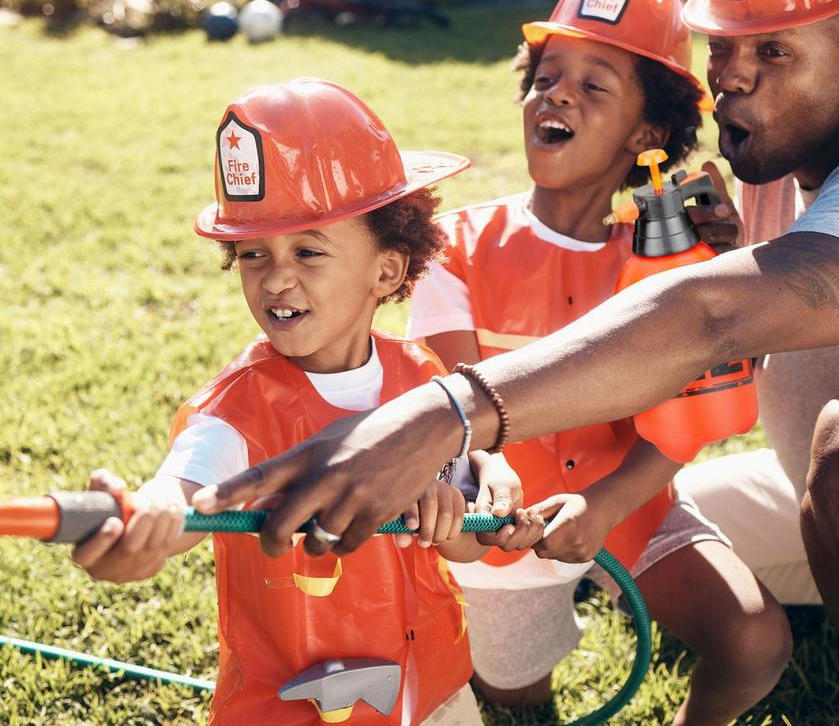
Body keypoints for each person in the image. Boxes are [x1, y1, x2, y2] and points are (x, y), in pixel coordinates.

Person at [196, 0, 839, 725]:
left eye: (775, 52)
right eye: (723, 44)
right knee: (712, 520)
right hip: (765, 491)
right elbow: (708, 380)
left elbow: (709, 316)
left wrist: (439, 415)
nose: (732, 77)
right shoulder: (770, 170)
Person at [71, 78, 544, 725]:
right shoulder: (236, 410)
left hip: (435, 695)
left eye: (308, 250)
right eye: (252, 253)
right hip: (298, 708)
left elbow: (464, 546)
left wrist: (471, 502)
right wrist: (144, 523)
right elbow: (183, 493)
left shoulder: (422, 379)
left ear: (387, 268)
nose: (275, 276)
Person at [405, 0, 791, 723]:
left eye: (592, 85)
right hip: (498, 521)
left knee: (756, 644)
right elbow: (452, 406)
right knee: (519, 700)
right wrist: (492, 485)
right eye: (546, 78)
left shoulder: (667, 260)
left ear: (646, 130)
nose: (556, 96)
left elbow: (691, 417)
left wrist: (609, 505)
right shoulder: (459, 247)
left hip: (630, 497)